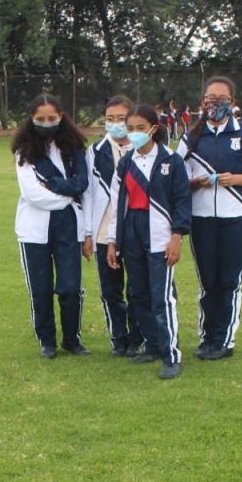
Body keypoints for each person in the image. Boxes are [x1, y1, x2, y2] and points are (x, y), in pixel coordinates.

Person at [176, 77, 242, 360]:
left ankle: (224, 340)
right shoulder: (190, 137)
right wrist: (195, 183)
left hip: (237, 217)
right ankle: (207, 337)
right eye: (209, 98)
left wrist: (237, 179)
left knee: (230, 281)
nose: (214, 104)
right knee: (208, 281)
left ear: (232, 101)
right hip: (201, 218)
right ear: (202, 101)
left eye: (221, 98)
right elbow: (175, 178)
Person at [106, 103, 191, 380]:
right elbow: (118, 204)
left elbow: (181, 202)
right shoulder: (126, 162)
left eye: (140, 128)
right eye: (130, 129)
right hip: (132, 233)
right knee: (138, 294)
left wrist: (176, 237)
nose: (134, 133)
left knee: (161, 297)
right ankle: (152, 345)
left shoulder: (171, 160)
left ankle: (171, 355)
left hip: (159, 235)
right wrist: (112, 242)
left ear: (154, 129)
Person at [12, 94, 91, 358]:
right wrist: (68, 195)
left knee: (70, 287)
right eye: (40, 119)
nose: (46, 123)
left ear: (61, 117)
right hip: (34, 230)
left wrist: (57, 187)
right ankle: (47, 340)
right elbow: (33, 194)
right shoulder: (25, 152)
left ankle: (72, 339)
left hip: (69, 225)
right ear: (31, 120)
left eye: (52, 118)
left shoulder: (74, 148)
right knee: (41, 288)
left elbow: (83, 184)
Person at [83, 95, 142, 357]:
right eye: (110, 119)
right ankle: (119, 338)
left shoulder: (143, 148)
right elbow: (88, 194)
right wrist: (88, 233)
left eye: (121, 119)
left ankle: (138, 338)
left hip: (135, 232)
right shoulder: (95, 151)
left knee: (137, 288)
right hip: (104, 232)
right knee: (111, 290)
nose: (115, 124)